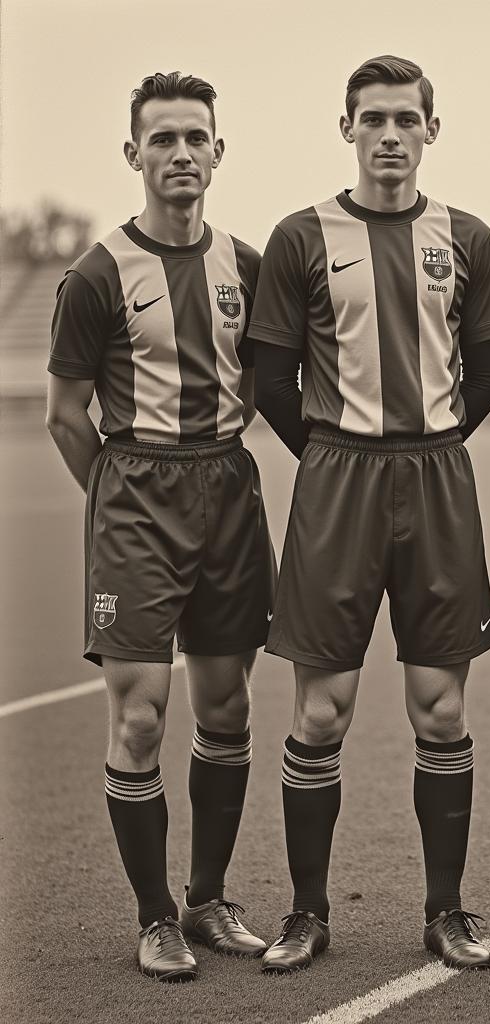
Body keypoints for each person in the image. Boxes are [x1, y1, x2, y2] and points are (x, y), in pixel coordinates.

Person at [250, 55, 490, 973]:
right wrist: (327, 454)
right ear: (348, 129)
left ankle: (447, 911)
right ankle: (306, 913)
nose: (390, 135)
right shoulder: (300, 236)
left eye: (407, 119)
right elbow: (271, 375)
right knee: (321, 713)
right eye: (374, 119)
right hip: (338, 483)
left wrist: (433, 440)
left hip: (437, 481)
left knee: (441, 711)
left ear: (431, 130)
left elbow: (489, 370)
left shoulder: (467, 237)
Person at [46, 72, 276, 982]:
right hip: (136, 494)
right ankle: (155, 917)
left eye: (196, 138)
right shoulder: (98, 274)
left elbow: (259, 384)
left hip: (226, 488)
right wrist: (113, 499)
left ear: (218, 151)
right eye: (163, 139)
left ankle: (208, 897)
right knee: (140, 719)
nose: (181, 153)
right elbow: (66, 415)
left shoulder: (247, 266)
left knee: (227, 707)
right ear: (133, 152)